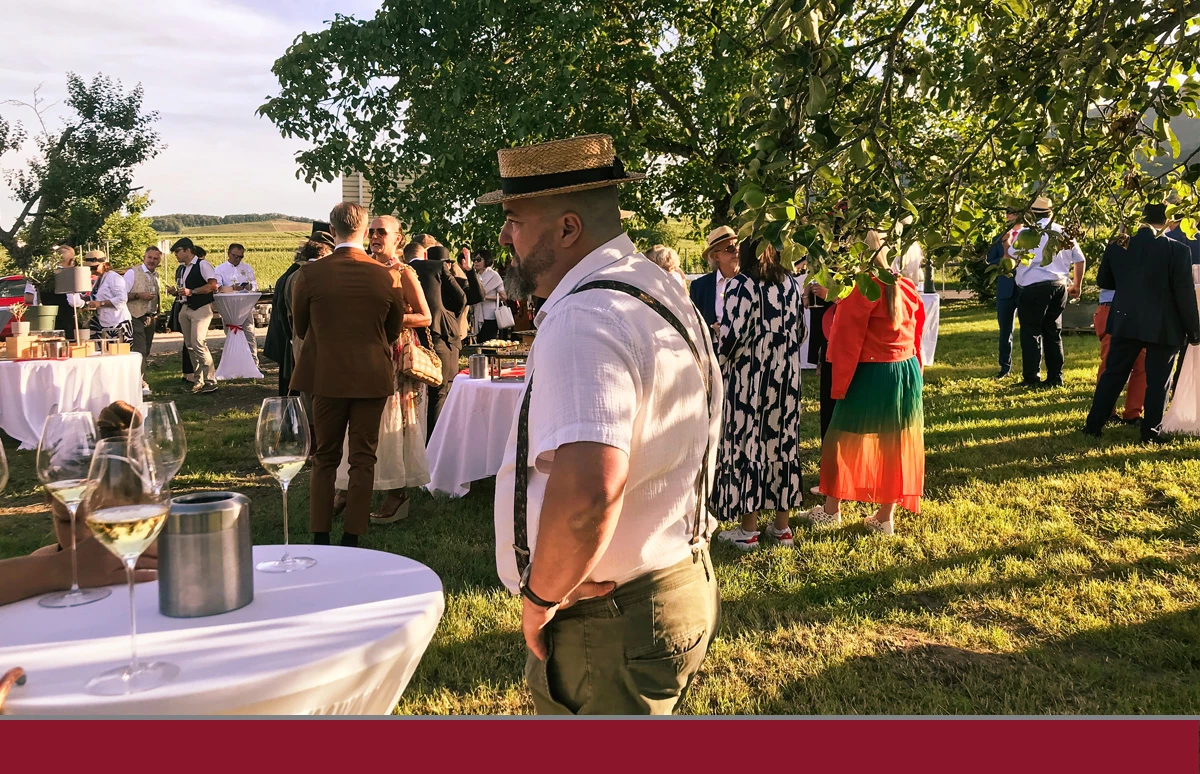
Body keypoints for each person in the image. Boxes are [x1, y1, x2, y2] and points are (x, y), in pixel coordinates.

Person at [482, 133, 721, 715]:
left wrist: (541, 595)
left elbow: (590, 492)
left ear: (568, 228)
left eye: (515, 220)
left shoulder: (586, 315)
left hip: (610, 620)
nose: (504, 237)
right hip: (671, 580)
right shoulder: (655, 285)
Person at [289, 202, 407, 547]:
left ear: (332, 228)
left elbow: (300, 327)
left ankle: (320, 533)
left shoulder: (309, 274)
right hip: (371, 375)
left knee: (324, 456)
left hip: (326, 375)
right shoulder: (387, 275)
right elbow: (393, 329)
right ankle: (353, 534)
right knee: (363, 457)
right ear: (365, 230)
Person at [806, 231, 925, 536]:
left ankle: (831, 511)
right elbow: (917, 331)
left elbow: (844, 337)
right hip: (904, 371)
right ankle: (884, 517)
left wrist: (836, 378)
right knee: (894, 444)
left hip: (872, 372)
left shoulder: (863, 289)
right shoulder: (905, 285)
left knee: (841, 439)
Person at [1, 401, 156, 608]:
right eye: (66, 521)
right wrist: (59, 569)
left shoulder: (158, 563)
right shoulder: (39, 564)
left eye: (101, 522)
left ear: (141, 507)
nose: (80, 535)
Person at [330, 215, 433, 525]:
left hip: (394, 357)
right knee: (359, 419)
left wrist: (388, 318)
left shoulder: (404, 272)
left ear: (397, 239)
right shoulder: (363, 268)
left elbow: (425, 317)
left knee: (392, 421)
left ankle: (397, 493)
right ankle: (346, 487)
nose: (374, 236)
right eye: (371, 232)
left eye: (381, 232)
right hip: (363, 353)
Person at [713, 239, 806, 551]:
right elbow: (801, 332)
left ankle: (748, 530)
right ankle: (782, 527)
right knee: (783, 445)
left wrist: (717, 345)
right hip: (786, 379)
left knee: (749, 446)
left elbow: (732, 340)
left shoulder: (741, 285)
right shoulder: (791, 285)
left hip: (749, 382)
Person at [1083, 203, 1200, 444]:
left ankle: (1093, 425)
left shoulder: (1118, 246)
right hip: (1164, 323)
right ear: (1167, 221)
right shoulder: (1178, 250)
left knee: (1113, 374)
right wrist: (1194, 330)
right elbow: (1184, 294)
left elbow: (1105, 280)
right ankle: (1150, 431)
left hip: (1126, 319)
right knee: (1158, 381)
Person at [1005, 196, 1086, 388]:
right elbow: (1080, 259)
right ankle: (1055, 377)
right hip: (1059, 286)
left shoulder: (1026, 233)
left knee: (1031, 332)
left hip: (1033, 286)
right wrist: (1077, 285)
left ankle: (1032, 377)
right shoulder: (1063, 232)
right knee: (1053, 332)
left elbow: (1010, 258)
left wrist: (1006, 242)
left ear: (1031, 215)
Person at [409, 244, 484, 437]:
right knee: (440, 391)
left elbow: (476, 295)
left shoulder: (443, 278)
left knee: (435, 391)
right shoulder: (439, 274)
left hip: (435, 337)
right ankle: (436, 439)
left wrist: (470, 272)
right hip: (443, 338)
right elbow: (464, 299)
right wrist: (453, 316)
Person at [265, 225, 335, 397]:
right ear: (325, 252)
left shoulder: (293, 273)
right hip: (307, 342)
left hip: (295, 339)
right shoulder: (305, 275)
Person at [1092, 229, 1147, 425]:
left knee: (1141, 364)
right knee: (1111, 363)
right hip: (1112, 307)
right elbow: (1104, 280)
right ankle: (1107, 412)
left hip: (1133, 308)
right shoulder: (1115, 247)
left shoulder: (1144, 248)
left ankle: (1133, 413)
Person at [167, 238, 219, 393]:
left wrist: (192, 291)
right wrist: (176, 292)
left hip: (200, 308)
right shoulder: (182, 269)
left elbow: (213, 285)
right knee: (190, 345)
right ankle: (198, 381)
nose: (176, 255)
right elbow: (185, 289)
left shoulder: (203, 265)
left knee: (198, 343)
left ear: (187, 250)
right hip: (185, 307)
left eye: (178, 251)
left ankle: (210, 380)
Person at [986, 208, 1022, 379]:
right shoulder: (999, 237)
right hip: (1005, 290)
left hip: (1025, 288)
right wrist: (1003, 261)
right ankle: (1004, 368)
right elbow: (989, 260)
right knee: (1005, 331)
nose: (1010, 216)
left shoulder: (1030, 237)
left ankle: (1031, 369)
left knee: (1030, 330)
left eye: (1014, 212)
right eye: (1009, 212)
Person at [123, 246, 163, 396]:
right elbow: (121, 295)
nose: (152, 261)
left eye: (155, 258)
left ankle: (138, 381)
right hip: (135, 316)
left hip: (150, 317)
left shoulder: (156, 275)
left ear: (159, 261)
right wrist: (138, 295)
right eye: (149, 257)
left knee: (146, 351)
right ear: (144, 257)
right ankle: (139, 384)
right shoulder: (132, 273)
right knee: (139, 351)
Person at [689, 225, 741, 338]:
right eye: (730, 248)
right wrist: (712, 330)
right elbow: (693, 324)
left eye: (738, 245)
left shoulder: (750, 282)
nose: (736, 250)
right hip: (713, 347)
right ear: (716, 256)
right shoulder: (699, 287)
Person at [23, 245, 86, 338]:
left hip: (44, 320)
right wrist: (84, 303)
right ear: (71, 260)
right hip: (64, 320)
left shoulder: (37, 273)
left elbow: (32, 298)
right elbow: (73, 301)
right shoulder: (67, 274)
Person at [214, 242, 259, 369]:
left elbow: (254, 284)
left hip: (245, 307)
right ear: (229, 254)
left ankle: (253, 365)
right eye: (235, 256)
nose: (238, 259)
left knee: (249, 335)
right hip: (229, 309)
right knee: (231, 336)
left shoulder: (247, 268)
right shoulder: (220, 269)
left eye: (241, 256)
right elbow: (218, 288)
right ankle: (234, 364)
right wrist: (232, 288)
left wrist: (250, 286)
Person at [83, 250, 133, 343]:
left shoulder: (113, 277)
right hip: (103, 322)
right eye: (90, 267)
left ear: (104, 264)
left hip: (118, 322)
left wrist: (100, 303)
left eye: (94, 267)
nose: (92, 270)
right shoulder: (99, 278)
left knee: (118, 351)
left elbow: (122, 299)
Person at [470, 247, 507, 342]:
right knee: (480, 342)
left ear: (486, 260)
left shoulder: (494, 275)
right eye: (474, 260)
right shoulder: (477, 276)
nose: (475, 262)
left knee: (489, 343)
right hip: (478, 314)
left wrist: (485, 297)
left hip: (490, 314)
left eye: (478, 260)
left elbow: (503, 297)